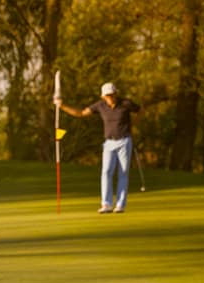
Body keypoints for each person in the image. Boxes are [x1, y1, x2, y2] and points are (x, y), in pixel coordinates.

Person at [57, 82, 141, 213]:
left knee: (123, 173)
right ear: (103, 96)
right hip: (108, 143)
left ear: (116, 94)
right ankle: (106, 204)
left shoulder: (126, 103)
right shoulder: (100, 105)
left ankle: (120, 205)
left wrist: (134, 127)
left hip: (124, 141)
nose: (110, 98)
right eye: (107, 96)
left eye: (112, 95)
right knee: (106, 172)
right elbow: (81, 113)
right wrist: (62, 106)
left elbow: (139, 111)